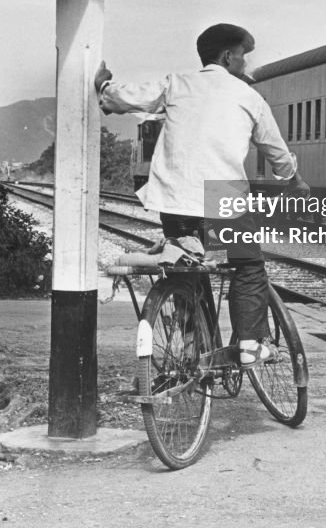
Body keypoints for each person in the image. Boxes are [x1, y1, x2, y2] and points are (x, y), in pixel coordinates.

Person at [95, 23, 309, 366]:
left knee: (186, 267)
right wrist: (294, 180)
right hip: (223, 195)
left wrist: (103, 85)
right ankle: (252, 346)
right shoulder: (249, 97)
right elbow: (276, 152)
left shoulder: (176, 84)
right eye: (243, 55)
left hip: (176, 197)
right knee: (248, 266)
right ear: (228, 56)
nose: (246, 63)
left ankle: (192, 347)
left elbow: (123, 97)